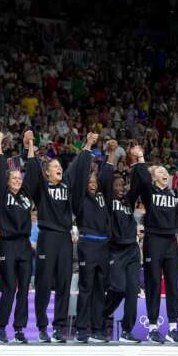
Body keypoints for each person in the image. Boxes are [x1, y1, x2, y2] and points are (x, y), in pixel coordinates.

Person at [129, 145, 178, 345]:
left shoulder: (176, 195)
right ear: (154, 177)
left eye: (166, 171)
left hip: (171, 242)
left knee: (172, 285)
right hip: (153, 240)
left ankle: (173, 328)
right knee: (153, 283)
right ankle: (153, 328)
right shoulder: (149, 192)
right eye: (160, 172)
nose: (165, 173)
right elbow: (141, 178)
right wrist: (140, 157)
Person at [24, 130, 97, 343]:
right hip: (47, 237)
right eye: (55, 167)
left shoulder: (66, 185)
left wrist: (88, 144)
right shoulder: (42, 187)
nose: (59, 169)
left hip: (65, 238)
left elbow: (78, 166)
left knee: (64, 284)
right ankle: (42, 327)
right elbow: (33, 168)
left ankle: (59, 328)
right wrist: (30, 145)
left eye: (59, 167)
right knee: (44, 284)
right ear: (47, 173)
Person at [0, 132, 35, 344]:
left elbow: (34, 170)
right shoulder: (2, 194)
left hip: (25, 245)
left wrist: (30, 145)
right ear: (8, 181)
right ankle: (1, 326)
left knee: (24, 290)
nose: (17, 181)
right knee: (9, 288)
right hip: (7, 244)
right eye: (14, 178)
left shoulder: (26, 194)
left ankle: (19, 329)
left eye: (20, 178)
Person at [101, 141, 142, 343]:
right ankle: (101, 316)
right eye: (117, 185)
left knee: (132, 291)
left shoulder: (128, 200)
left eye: (122, 185)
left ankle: (127, 331)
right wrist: (111, 155)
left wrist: (136, 159)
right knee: (118, 289)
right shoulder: (108, 200)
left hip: (132, 250)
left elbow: (139, 182)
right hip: (115, 250)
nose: (121, 188)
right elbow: (105, 178)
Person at [73, 133, 111, 343]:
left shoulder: (103, 198)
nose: (93, 183)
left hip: (104, 246)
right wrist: (88, 147)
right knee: (86, 288)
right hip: (87, 243)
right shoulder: (80, 198)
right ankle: (81, 329)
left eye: (95, 180)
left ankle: (97, 329)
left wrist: (108, 155)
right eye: (90, 180)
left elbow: (105, 176)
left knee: (100, 290)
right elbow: (79, 176)